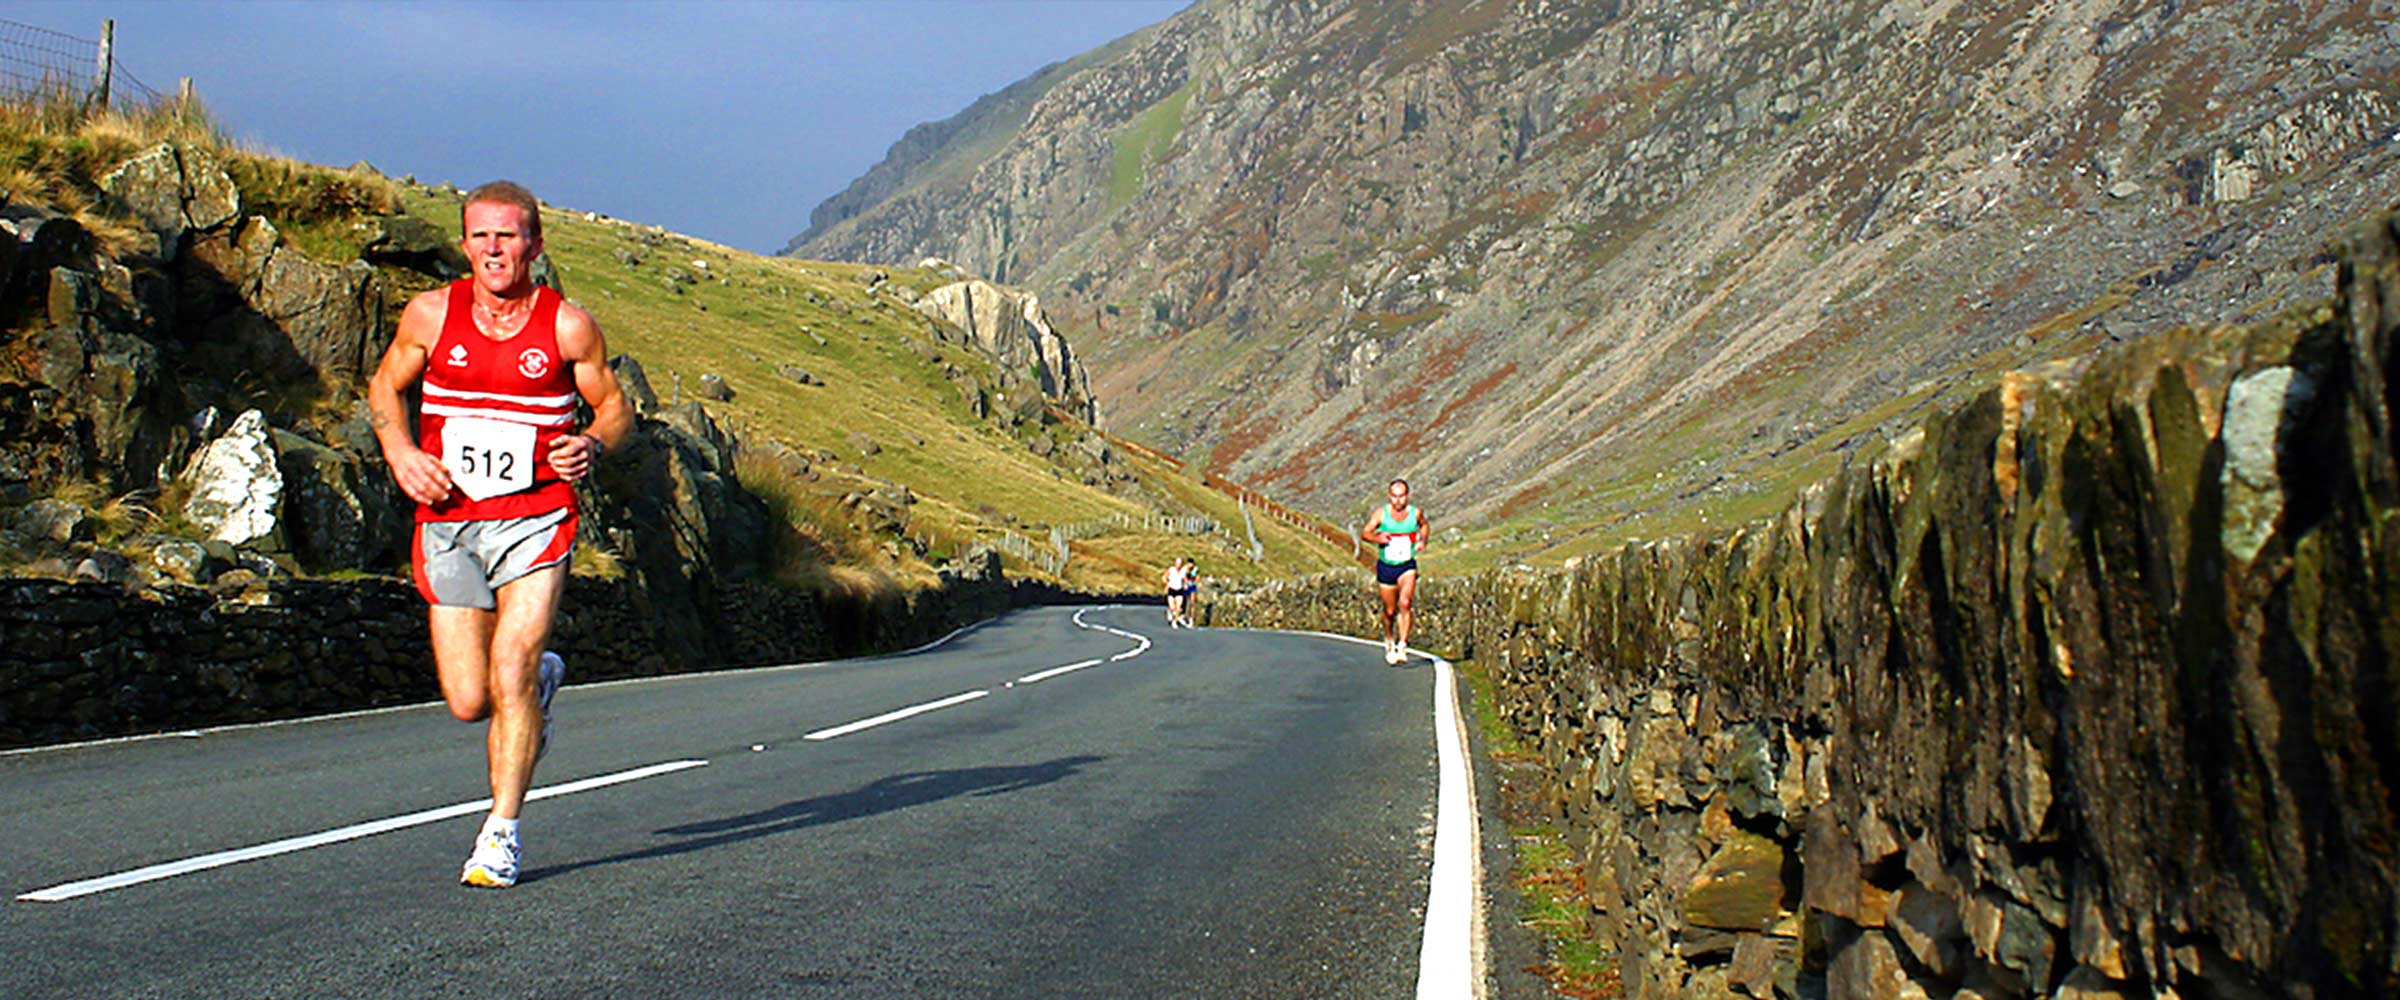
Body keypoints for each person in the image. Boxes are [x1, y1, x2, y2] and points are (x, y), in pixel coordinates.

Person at [367, 180, 631, 889]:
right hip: (450, 519)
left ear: (534, 246)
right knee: (467, 700)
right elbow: (384, 387)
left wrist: (594, 446)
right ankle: (543, 683)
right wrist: (401, 454)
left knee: (509, 665)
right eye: (481, 235)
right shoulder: (429, 316)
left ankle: (501, 833)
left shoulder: (568, 327)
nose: (494, 249)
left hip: (535, 518)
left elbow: (613, 408)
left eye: (508, 236)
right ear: (464, 244)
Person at [1358, 478, 1426, 664]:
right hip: (1387, 567)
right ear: (1389, 496)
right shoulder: (1381, 514)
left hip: (1407, 566)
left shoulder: (1415, 513)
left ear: (1407, 496)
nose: (1398, 500)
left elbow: (1424, 526)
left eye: (1402, 496)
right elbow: (1364, 533)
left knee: (1405, 603)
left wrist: (1422, 541)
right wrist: (1377, 538)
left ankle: (1402, 646)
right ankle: (1389, 638)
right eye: (1394, 496)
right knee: (1389, 611)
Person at [1162, 558, 1186, 628]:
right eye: (1177, 563)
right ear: (1175, 563)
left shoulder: (1182, 571)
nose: (1178, 565)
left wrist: (1185, 584)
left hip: (1179, 589)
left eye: (1180, 564)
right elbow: (1164, 577)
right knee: (1172, 607)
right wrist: (1166, 583)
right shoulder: (1171, 570)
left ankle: (1174, 621)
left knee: (1178, 607)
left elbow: (1184, 579)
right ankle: (1170, 612)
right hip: (1171, 589)